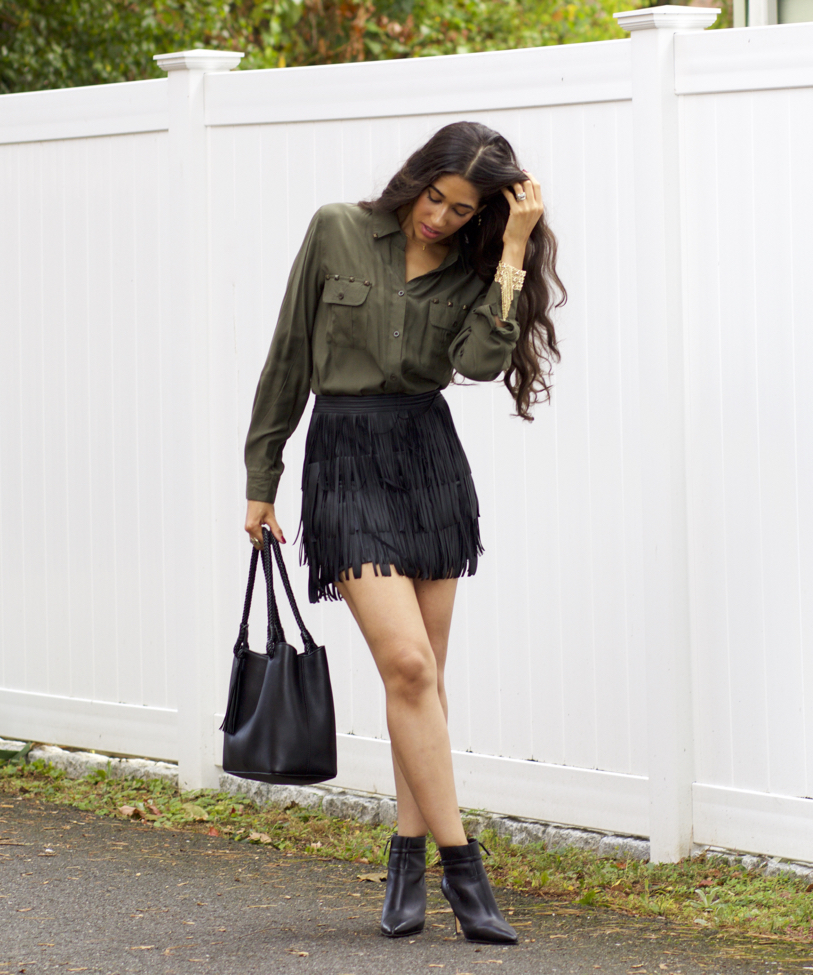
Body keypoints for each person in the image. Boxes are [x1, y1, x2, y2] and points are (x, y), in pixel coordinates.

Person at [243, 121, 565, 945]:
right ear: (415, 179)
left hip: (427, 467)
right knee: (409, 662)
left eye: (464, 211)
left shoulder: (473, 268)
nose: (442, 219)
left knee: (420, 681)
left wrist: (511, 251)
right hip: (344, 461)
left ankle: (405, 854)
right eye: (436, 198)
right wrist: (261, 478)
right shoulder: (335, 228)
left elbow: (484, 364)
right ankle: (466, 872)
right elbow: (286, 354)